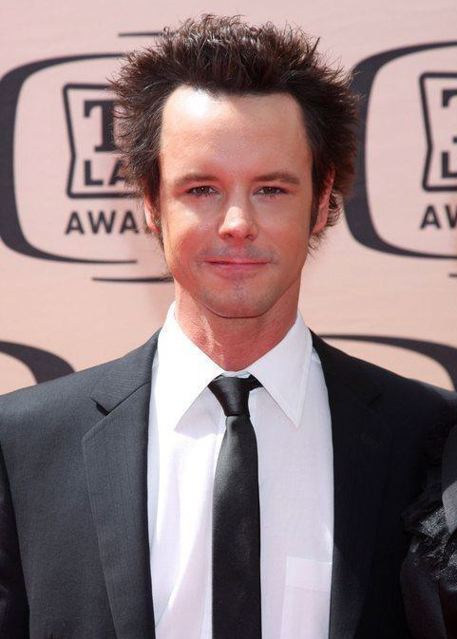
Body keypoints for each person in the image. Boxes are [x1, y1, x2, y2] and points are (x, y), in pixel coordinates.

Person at [0, 14, 456, 639]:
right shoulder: (22, 445)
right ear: (149, 202)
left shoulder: (430, 437)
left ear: (324, 200)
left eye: (271, 188)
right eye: (202, 189)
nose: (237, 223)